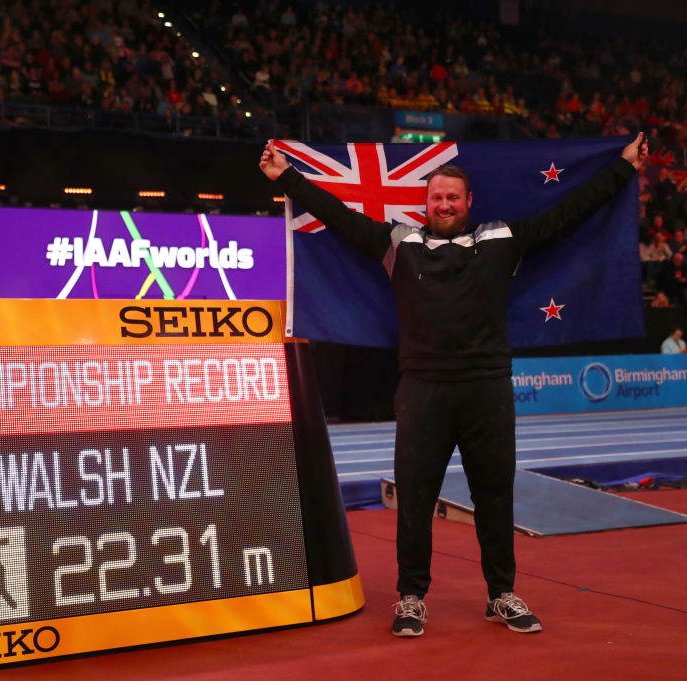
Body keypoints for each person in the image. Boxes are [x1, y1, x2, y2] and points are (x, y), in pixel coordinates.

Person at [260, 132, 649, 638]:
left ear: (468, 203)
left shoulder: (500, 240)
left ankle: (501, 594)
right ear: (425, 203)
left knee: (495, 496)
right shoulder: (398, 243)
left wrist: (623, 168)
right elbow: (336, 215)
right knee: (416, 499)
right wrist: (286, 177)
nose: (443, 204)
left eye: (452, 197)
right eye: (436, 197)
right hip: (423, 390)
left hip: (487, 389)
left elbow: (570, 211)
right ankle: (412, 597)